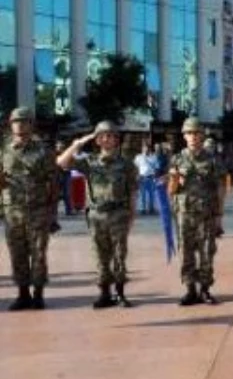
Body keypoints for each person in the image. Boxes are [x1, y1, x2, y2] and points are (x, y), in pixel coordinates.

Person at [57, 121, 139, 308]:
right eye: (102, 136)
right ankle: (104, 293)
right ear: (97, 140)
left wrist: (132, 216)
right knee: (100, 255)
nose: (107, 139)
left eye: (111, 136)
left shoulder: (126, 164)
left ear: (117, 140)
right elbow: (62, 163)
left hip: (119, 214)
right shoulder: (89, 161)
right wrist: (77, 144)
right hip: (96, 215)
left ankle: (120, 293)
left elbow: (133, 192)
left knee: (119, 254)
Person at [1, 107, 57, 311]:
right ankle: (22, 294)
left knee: (39, 253)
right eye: (16, 121)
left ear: (31, 125)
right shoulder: (3, 151)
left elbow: (53, 183)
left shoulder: (43, 150)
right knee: (17, 253)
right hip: (12, 211)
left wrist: (52, 213)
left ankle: (38, 295)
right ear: (11, 124)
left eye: (24, 121)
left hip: (37, 210)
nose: (20, 124)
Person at [168, 117, 226, 306]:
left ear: (201, 135)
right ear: (184, 136)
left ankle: (205, 289)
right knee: (186, 252)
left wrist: (219, 214)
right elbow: (171, 190)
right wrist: (175, 180)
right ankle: (190, 289)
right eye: (189, 133)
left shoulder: (211, 159)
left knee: (207, 252)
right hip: (184, 214)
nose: (193, 136)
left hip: (206, 214)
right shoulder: (177, 159)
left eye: (196, 133)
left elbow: (220, 187)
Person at [134, 141, 160, 215]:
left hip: (151, 177)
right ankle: (143, 209)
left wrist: (156, 176)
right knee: (142, 195)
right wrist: (137, 176)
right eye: (144, 148)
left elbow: (157, 167)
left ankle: (151, 208)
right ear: (142, 149)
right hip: (142, 178)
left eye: (147, 148)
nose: (146, 150)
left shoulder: (154, 157)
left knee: (152, 194)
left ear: (149, 149)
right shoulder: (138, 157)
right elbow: (135, 167)